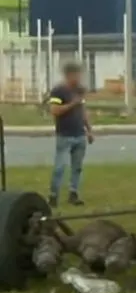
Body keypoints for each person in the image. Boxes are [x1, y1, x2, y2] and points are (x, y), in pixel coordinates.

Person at [47, 61, 94, 207]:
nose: (79, 78)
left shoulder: (79, 90)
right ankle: (53, 195)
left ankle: (73, 193)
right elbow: (55, 111)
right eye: (77, 75)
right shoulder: (58, 91)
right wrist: (73, 103)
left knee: (77, 167)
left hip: (79, 134)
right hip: (65, 135)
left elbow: (83, 110)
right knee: (60, 167)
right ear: (69, 75)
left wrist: (89, 130)